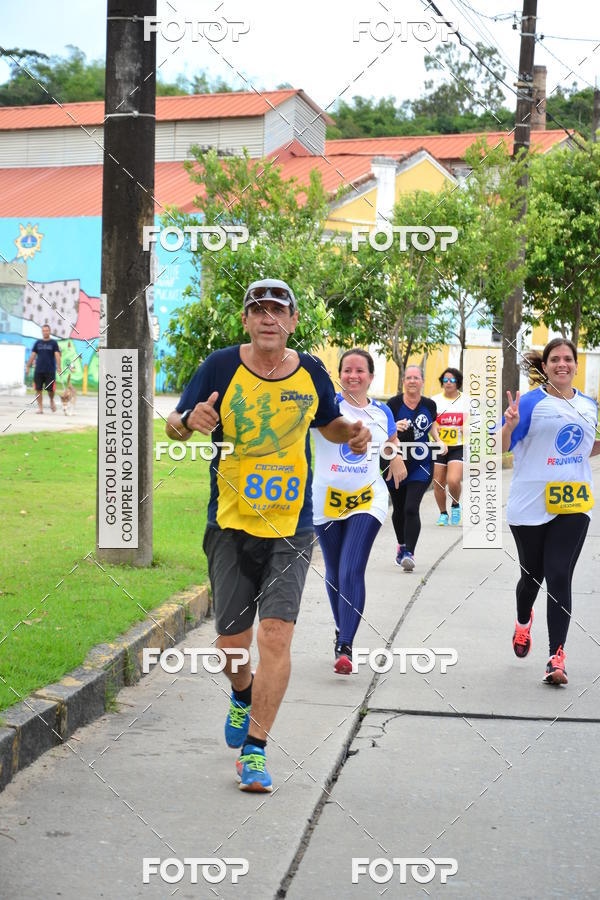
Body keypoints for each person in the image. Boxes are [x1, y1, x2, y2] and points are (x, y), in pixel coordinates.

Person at [166, 278, 371, 792]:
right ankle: (242, 691)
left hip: (291, 525)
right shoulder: (219, 366)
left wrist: (354, 432)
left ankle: (255, 751)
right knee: (232, 645)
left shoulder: (312, 373)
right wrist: (190, 419)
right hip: (232, 523)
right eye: (257, 309)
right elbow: (173, 423)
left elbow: (329, 424)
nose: (268, 318)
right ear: (245, 319)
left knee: (275, 635)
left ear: (293, 321)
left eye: (278, 310)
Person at [503, 338, 600, 685]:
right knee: (532, 577)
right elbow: (499, 446)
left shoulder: (589, 406)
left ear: (576, 365)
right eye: (555, 359)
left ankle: (555, 657)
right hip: (530, 505)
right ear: (544, 367)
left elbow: (589, 445)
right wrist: (510, 426)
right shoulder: (528, 404)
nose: (562, 364)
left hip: (573, 504)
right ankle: (522, 620)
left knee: (559, 574)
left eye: (568, 359)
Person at [312, 349, 407, 674]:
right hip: (325, 500)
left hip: (368, 498)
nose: (353, 375)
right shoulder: (326, 407)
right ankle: (343, 630)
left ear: (370, 376)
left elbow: (390, 442)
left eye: (360, 371)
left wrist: (394, 457)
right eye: (347, 370)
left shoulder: (381, 413)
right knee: (335, 572)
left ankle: (346, 646)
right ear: (340, 375)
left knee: (352, 568)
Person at [386, 366, 447, 571]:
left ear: (422, 381)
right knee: (399, 508)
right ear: (403, 380)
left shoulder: (429, 404)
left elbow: (432, 424)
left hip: (421, 462)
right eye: (409, 377)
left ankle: (409, 553)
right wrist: (395, 426)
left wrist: (439, 440)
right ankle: (401, 545)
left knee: (412, 507)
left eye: (416, 377)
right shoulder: (392, 404)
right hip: (396, 461)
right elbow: (382, 429)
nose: (412, 381)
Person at [431, 367, 465, 526]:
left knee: (453, 480)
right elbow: (431, 423)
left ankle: (456, 504)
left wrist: (469, 429)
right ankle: (443, 513)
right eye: (445, 380)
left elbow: (476, 423)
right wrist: (437, 438)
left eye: (452, 380)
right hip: (439, 446)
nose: (448, 383)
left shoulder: (466, 401)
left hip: (458, 445)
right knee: (438, 482)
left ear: (458, 382)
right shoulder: (434, 401)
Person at [25, 324, 61, 414]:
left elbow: (57, 355)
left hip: (50, 371)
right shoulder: (38, 343)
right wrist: (28, 366)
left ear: (49, 331)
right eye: (44, 330)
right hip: (39, 370)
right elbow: (33, 355)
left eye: (47, 330)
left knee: (50, 390)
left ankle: (51, 400)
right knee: (38, 389)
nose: (45, 332)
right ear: (42, 332)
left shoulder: (53, 343)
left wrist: (59, 367)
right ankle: (40, 408)